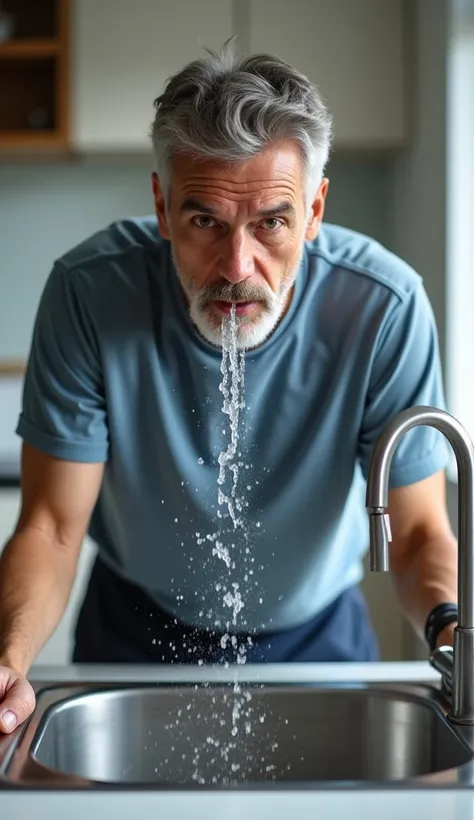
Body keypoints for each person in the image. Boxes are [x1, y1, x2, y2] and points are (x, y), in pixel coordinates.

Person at [0, 42, 458, 735]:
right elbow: (51, 528)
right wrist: (7, 660)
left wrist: (457, 635)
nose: (236, 266)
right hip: (134, 632)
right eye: (204, 221)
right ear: (161, 205)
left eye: (271, 221)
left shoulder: (383, 309)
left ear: (314, 209)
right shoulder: (89, 295)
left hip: (318, 637)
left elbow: (421, 532)